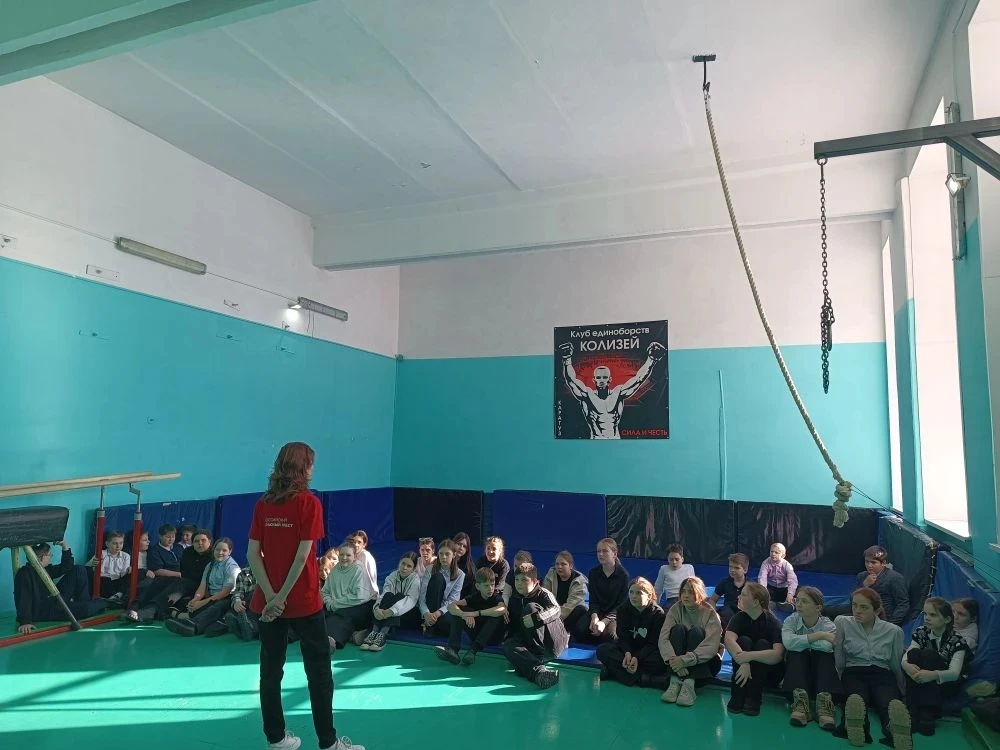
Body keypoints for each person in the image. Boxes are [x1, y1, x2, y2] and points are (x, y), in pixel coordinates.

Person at [247, 442, 364, 750]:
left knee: (270, 671)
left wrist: (271, 596)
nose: (313, 469)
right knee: (319, 671)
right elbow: (302, 557)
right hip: (303, 600)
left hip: (269, 602)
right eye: (310, 464)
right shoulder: (309, 503)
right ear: (302, 468)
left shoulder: (263, 504)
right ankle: (329, 742)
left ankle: (276, 738)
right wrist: (282, 597)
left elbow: (252, 554)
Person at [558, 340, 667, 439]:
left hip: (616, 439)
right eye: (598, 377)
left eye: (604, 377)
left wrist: (651, 360)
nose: (601, 380)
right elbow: (571, 381)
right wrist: (567, 360)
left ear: (609, 379)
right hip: (597, 440)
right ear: (594, 380)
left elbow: (638, 379)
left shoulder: (617, 393)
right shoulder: (588, 395)